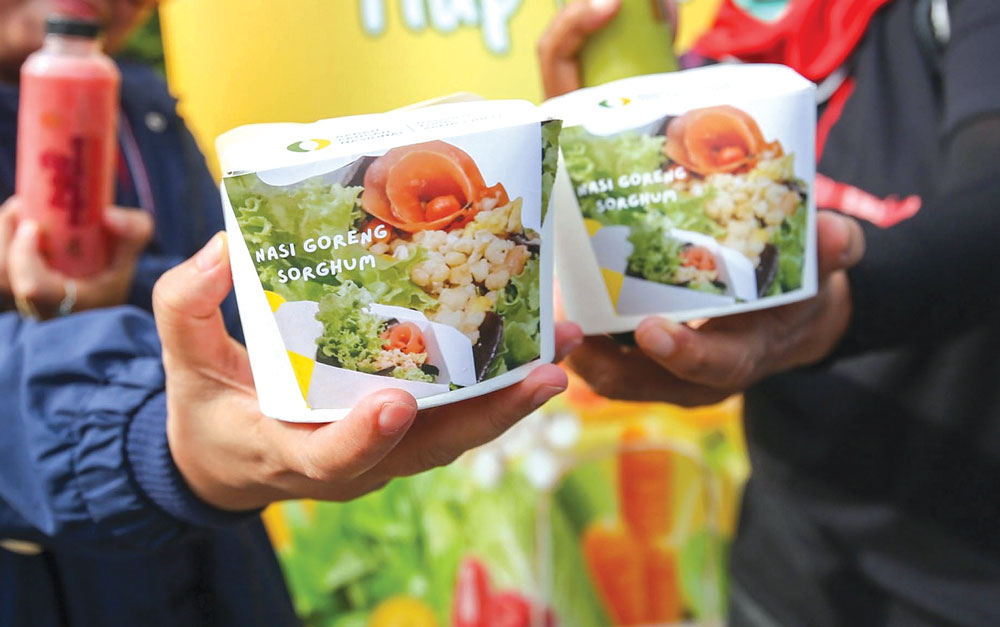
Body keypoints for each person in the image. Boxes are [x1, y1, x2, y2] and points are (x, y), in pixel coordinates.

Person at [0, 2, 583, 626]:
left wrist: (118, 291)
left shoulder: (147, 110)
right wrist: (154, 440)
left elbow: (252, 304)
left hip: (215, 562)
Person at [539, 0, 1000, 625]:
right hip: (787, 565)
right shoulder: (718, 62)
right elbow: (667, 293)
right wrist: (596, 171)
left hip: (967, 573)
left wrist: (845, 305)